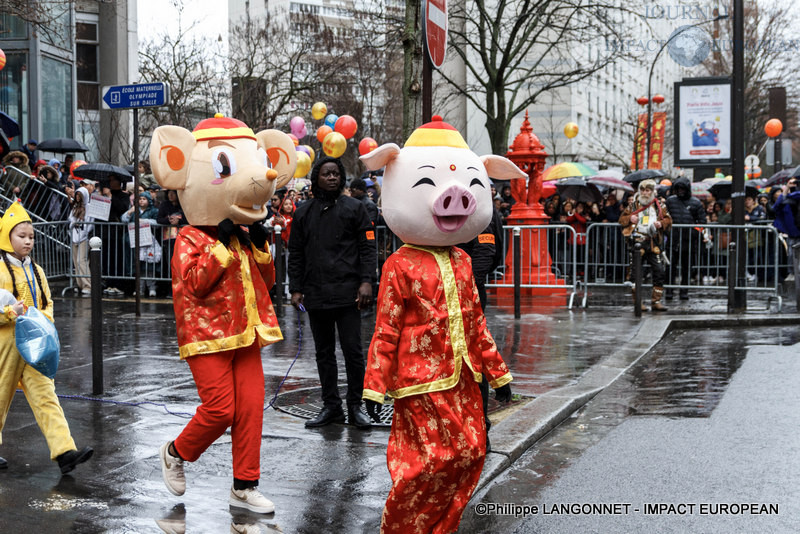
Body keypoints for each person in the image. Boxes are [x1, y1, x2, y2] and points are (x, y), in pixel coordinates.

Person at [0, 202, 93, 473]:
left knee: (45, 395)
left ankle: (64, 451)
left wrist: (44, 322)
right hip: (6, 345)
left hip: (33, 346)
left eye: (31, 237)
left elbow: (47, 302)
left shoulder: (37, 271)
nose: (28, 242)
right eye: (21, 236)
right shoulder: (0, 270)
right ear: (7, 236)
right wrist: (9, 313)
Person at [288, 156, 376, 429]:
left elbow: (367, 247)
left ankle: (355, 406)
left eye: (336, 173)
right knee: (323, 353)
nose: (332, 178)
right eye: (326, 174)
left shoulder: (356, 208)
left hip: (349, 292)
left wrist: (366, 281)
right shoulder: (303, 212)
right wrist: (296, 288)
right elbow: (296, 253)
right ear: (316, 179)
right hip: (316, 293)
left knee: (352, 351)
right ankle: (331, 406)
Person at [619, 179, 672, 312]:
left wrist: (661, 224)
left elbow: (668, 219)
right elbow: (621, 220)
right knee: (636, 273)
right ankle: (638, 302)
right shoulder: (633, 205)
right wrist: (630, 218)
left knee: (659, 271)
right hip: (637, 241)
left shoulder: (659, 205)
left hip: (653, 241)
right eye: (642, 190)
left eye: (647, 190)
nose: (645, 193)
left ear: (653, 191)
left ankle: (656, 301)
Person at [665, 177, 706, 300]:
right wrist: (668, 231)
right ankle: (669, 291)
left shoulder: (696, 203)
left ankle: (684, 291)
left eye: (682, 188)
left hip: (689, 241)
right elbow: (664, 217)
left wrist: (694, 233)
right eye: (678, 188)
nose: (680, 191)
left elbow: (702, 222)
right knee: (670, 267)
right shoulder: (670, 201)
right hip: (673, 240)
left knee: (686, 268)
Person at [121, 191, 160, 297]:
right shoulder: (133, 210)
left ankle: (152, 287)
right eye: (140, 199)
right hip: (135, 241)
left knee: (149, 265)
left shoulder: (154, 211)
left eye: (144, 199)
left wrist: (145, 221)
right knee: (138, 266)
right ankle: (140, 288)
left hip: (148, 241)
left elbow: (158, 222)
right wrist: (129, 212)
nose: (141, 201)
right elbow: (123, 219)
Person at [771, 177, 800, 308]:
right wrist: (786, 190)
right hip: (794, 233)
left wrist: (786, 190)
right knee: (792, 260)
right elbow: (776, 207)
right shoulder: (788, 199)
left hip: (793, 232)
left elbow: (776, 207)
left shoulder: (789, 198)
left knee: (792, 261)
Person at [68, 187, 94, 295]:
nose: (78, 197)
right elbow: (71, 219)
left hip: (84, 237)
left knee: (81, 260)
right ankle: (80, 284)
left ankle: (88, 284)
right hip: (74, 235)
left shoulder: (88, 207)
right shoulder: (75, 207)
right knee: (75, 261)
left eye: (80, 195)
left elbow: (90, 223)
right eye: (76, 195)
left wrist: (84, 231)